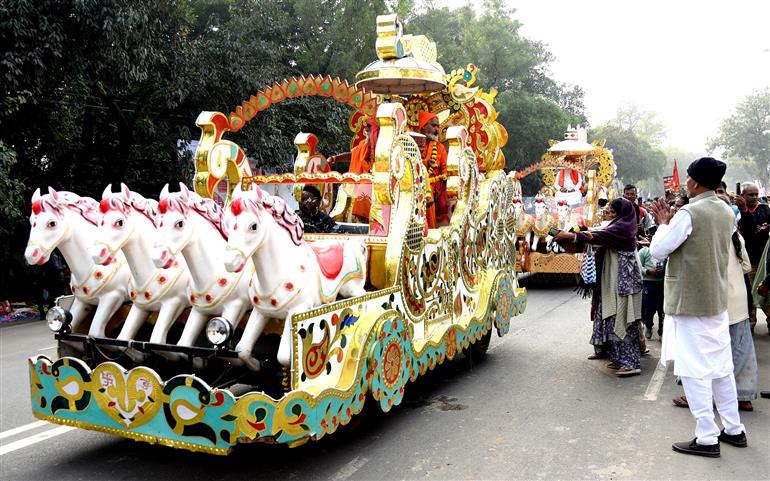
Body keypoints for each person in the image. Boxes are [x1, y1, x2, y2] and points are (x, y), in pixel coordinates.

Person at [648, 157, 746, 457]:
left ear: (697, 182)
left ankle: (706, 437)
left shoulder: (690, 213)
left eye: (688, 179)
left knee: (693, 369)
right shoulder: (725, 210)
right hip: (715, 298)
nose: (685, 183)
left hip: (690, 300)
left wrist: (664, 224)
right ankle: (733, 429)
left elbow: (657, 250)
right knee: (720, 367)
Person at [555, 198, 643, 376]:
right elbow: (599, 233)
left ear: (620, 214)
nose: (608, 214)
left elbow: (600, 236)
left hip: (624, 282)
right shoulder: (617, 226)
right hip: (614, 280)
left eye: (612, 211)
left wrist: (572, 236)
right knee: (613, 317)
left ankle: (630, 362)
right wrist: (578, 232)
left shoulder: (623, 228)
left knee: (623, 317)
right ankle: (619, 359)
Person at [735, 182, 770, 331]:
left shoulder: (764, 209)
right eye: (750, 194)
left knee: (766, 290)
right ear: (742, 195)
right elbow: (746, 231)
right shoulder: (736, 212)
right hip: (748, 259)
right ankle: (751, 320)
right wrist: (744, 211)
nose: (755, 197)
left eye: (756, 194)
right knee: (750, 290)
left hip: (764, 257)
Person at [417, 111, 449, 228]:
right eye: (433, 125)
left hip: (432, 191)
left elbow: (446, 172)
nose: (437, 129)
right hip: (414, 186)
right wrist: (426, 163)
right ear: (424, 125)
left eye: (438, 126)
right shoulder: (413, 142)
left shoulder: (440, 148)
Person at [638, 245, 664, 339]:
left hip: (663, 283)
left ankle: (662, 331)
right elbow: (638, 266)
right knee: (649, 307)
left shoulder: (665, 249)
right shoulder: (644, 251)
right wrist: (649, 272)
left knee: (662, 309)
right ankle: (648, 326)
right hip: (649, 283)